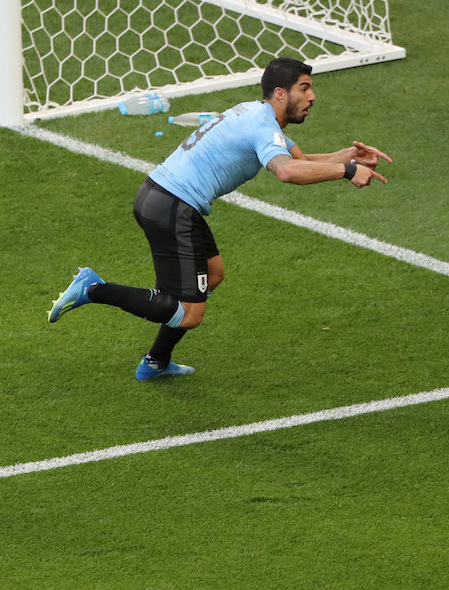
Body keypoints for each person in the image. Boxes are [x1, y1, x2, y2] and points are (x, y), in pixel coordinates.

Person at [47, 57, 390, 381]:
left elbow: (299, 158)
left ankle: (156, 362)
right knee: (190, 313)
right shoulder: (261, 125)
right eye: (304, 88)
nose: (312, 96)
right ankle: (94, 289)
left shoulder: (256, 115)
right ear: (280, 93)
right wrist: (346, 172)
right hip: (173, 205)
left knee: (213, 273)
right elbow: (287, 172)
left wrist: (347, 156)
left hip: (166, 198)